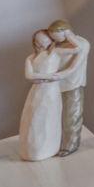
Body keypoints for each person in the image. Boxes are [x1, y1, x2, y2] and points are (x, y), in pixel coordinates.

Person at [46, 20, 89, 155]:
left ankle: (70, 145)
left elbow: (73, 67)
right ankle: (56, 143)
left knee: (71, 116)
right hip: (54, 85)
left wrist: (56, 75)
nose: (54, 40)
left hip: (72, 84)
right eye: (52, 37)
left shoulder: (82, 43)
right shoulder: (56, 44)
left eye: (56, 36)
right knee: (55, 115)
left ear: (66, 32)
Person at [19, 30, 63, 161]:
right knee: (34, 118)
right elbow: (29, 75)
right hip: (38, 91)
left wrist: (43, 78)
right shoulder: (30, 58)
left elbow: (77, 50)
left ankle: (50, 148)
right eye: (38, 40)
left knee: (51, 118)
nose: (41, 42)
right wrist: (49, 76)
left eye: (44, 39)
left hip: (52, 91)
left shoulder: (56, 54)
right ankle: (32, 150)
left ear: (51, 39)